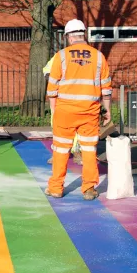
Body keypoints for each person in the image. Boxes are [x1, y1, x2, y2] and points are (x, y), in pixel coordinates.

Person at [45, 19, 112, 200]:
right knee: (89, 150)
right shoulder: (98, 57)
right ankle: (89, 188)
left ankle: (56, 188)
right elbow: (106, 88)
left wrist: (54, 111)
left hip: (65, 112)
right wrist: (107, 111)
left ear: (68, 37)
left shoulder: (61, 56)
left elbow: (52, 88)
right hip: (89, 112)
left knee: (60, 150)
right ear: (84, 35)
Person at [43, 56, 82, 165]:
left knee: (77, 125)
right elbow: (46, 71)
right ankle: (58, 152)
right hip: (60, 98)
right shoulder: (60, 56)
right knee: (58, 126)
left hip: (77, 97)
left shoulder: (86, 56)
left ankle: (77, 151)